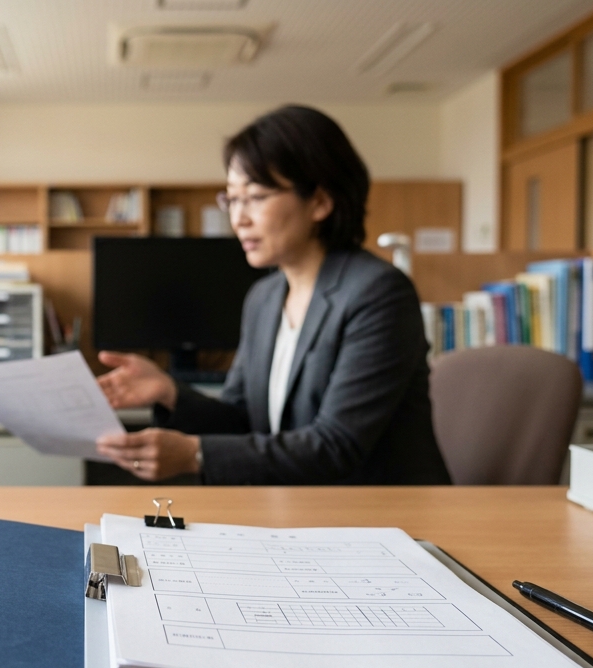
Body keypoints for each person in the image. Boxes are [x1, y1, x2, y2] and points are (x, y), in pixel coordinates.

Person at [95, 105, 451, 486]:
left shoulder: (378, 293)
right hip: (299, 516)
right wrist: (169, 391)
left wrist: (195, 454)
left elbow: (336, 446)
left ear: (320, 201)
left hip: (386, 523)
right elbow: (242, 421)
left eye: (255, 197)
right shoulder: (264, 298)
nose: (238, 218)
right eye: (231, 199)